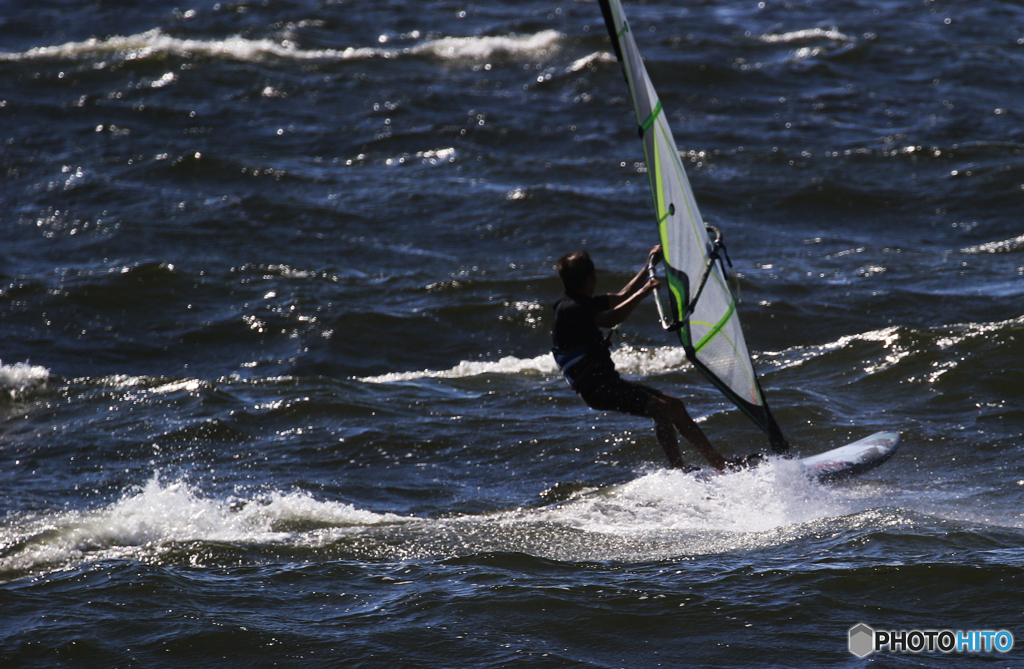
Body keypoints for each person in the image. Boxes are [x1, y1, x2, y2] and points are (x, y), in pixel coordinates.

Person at [551, 246, 729, 471]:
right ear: (589, 279)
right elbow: (610, 318)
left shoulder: (579, 301)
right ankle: (678, 470)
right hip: (596, 388)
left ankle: (718, 463)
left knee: (674, 406)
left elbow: (621, 297)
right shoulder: (571, 307)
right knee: (660, 409)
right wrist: (644, 293)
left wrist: (648, 266)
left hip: (607, 382)